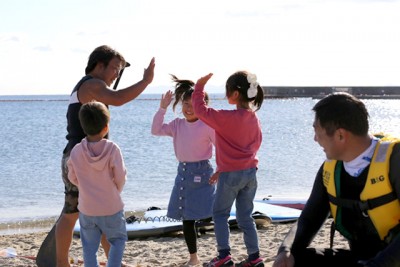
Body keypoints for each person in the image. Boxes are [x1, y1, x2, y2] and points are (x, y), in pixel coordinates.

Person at [272, 92, 400, 267]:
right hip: (361, 258)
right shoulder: (331, 170)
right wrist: (285, 250)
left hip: (391, 261)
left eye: (317, 131)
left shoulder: (395, 160)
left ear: (340, 135)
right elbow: (309, 219)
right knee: (294, 259)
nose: (315, 139)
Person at [56, 45, 155, 267]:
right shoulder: (92, 84)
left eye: (120, 70)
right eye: (115, 68)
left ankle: (112, 260)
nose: (117, 74)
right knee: (72, 213)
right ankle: (61, 263)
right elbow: (118, 98)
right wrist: (146, 81)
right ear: (99, 65)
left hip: (84, 156)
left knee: (99, 209)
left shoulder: (92, 86)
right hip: (80, 157)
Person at [192, 72, 265, 267]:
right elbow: (257, 143)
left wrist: (199, 87)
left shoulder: (225, 117)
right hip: (250, 172)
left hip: (231, 174)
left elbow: (200, 110)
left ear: (233, 94)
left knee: (220, 214)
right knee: (245, 217)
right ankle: (255, 257)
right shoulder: (253, 118)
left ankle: (224, 255)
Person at [151, 74, 216, 266]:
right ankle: (193, 258)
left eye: (193, 104)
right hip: (184, 174)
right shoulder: (177, 125)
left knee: (212, 214)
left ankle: (223, 253)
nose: (189, 108)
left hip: (204, 174)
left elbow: (220, 148)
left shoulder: (207, 125)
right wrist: (162, 108)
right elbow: (155, 130)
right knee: (187, 220)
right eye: (185, 104)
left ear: (202, 105)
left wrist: (221, 171)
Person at [67, 101, 127, 266]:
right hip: (111, 207)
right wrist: (115, 191)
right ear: (106, 127)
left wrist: (84, 186)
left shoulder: (77, 151)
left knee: (89, 248)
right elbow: (120, 176)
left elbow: (72, 177)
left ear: (83, 126)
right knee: (118, 239)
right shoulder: (112, 149)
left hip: (87, 208)